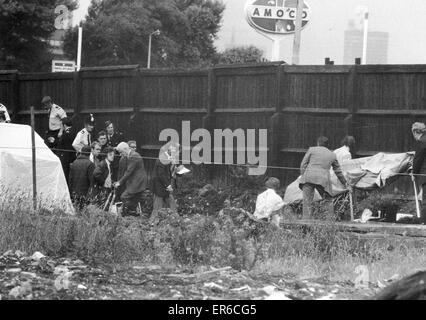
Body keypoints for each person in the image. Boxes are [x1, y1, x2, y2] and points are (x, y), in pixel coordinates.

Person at [299, 136, 349, 220]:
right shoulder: (332, 154)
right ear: (328, 145)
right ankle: (329, 222)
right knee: (328, 200)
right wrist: (345, 183)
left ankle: (306, 223)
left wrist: (303, 175)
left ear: (318, 143)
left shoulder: (311, 149)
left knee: (307, 202)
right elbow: (338, 171)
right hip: (323, 179)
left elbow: (303, 164)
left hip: (308, 177)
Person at [114, 142, 148, 217]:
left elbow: (129, 171)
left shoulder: (133, 156)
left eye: (121, 152)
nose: (120, 154)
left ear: (126, 149)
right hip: (135, 181)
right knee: (134, 198)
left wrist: (120, 182)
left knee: (124, 197)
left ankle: (130, 212)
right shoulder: (130, 155)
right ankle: (133, 211)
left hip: (137, 181)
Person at [150, 143, 180, 223]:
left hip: (165, 185)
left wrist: (177, 169)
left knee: (171, 202)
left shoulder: (169, 157)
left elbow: (168, 172)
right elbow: (161, 174)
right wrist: (168, 185)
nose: (177, 153)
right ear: (169, 150)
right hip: (159, 186)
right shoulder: (162, 158)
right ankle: (152, 222)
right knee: (157, 206)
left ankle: (176, 219)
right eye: (175, 151)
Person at [411, 122, 426, 223]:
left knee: (425, 199)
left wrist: (414, 173)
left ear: (416, 132)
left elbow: (418, 159)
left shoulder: (422, 142)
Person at [57, 117, 76, 185]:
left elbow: (68, 149)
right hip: (70, 158)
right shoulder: (73, 131)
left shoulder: (66, 134)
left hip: (66, 160)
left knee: (66, 177)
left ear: (64, 125)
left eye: (61, 125)